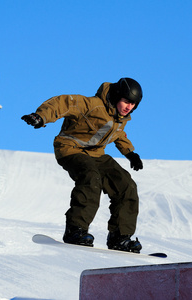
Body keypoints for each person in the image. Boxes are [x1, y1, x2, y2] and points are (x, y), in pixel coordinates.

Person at [21, 78, 144, 253]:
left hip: (96, 154)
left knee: (126, 185)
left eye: (133, 104)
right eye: (126, 101)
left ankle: (120, 237)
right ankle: (76, 230)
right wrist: (41, 116)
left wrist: (130, 153)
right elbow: (62, 103)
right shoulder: (92, 104)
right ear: (117, 96)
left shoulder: (120, 118)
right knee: (91, 177)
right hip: (70, 149)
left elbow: (118, 134)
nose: (128, 107)